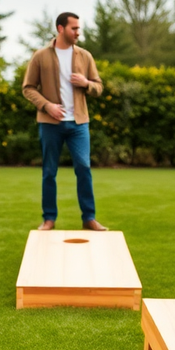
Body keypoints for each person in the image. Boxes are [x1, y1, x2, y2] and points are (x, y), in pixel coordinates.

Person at [22, 12, 107, 231]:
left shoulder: (85, 56)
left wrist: (86, 83)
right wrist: (47, 106)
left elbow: (98, 87)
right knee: (49, 171)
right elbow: (28, 88)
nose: (78, 32)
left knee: (84, 167)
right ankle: (49, 218)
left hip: (79, 123)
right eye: (74, 28)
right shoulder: (40, 56)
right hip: (50, 124)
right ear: (61, 29)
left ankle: (89, 218)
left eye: (79, 28)